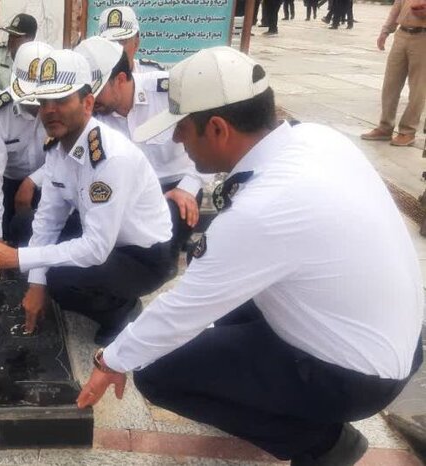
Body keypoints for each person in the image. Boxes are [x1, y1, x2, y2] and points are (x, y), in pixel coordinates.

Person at [75, 46, 423, 466]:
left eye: (182, 127)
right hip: (400, 338)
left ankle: (323, 445)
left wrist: (111, 359)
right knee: (225, 315)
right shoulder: (315, 137)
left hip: (357, 377)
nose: (177, 139)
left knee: (157, 369)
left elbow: (182, 310)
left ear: (218, 128)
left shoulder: (263, 208)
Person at [0, 50, 175, 345]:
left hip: (144, 255)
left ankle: (122, 310)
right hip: (106, 236)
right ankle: (64, 284)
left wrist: (18, 258)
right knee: (23, 226)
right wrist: (35, 284)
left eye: (62, 100)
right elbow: (48, 219)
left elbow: (96, 249)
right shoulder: (58, 146)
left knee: (61, 278)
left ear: (87, 103)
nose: (50, 110)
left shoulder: (109, 158)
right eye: (44, 102)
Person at [75, 36, 210, 258]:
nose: (90, 100)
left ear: (119, 79)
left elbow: (210, 139)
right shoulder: (94, 112)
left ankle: (165, 260)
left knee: (170, 222)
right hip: (126, 190)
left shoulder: (169, 90)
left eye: (96, 91)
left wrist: (188, 186)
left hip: (173, 186)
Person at [0, 41, 53, 245]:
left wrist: (32, 181)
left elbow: (67, 157)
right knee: (6, 234)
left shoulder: (62, 106)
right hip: (9, 181)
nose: (37, 105)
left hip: (50, 176)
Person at [360, 0, 426, 147]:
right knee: (390, 84)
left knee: (418, 88)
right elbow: (396, 9)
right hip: (402, 34)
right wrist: (385, 31)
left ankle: (408, 131)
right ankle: (385, 127)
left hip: (423, 38)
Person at [0, 13, 38, 102]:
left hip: (27, 104)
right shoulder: (0, 50)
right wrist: (5, 98)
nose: (11, 39)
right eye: (10, 34)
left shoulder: (38, 57)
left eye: (16, 36)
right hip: (2, 102)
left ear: (30, 38)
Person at [98, 6, 166, 73]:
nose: (116, 48)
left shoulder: (152, 74)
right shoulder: (91, 78)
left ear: (136, 43)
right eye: (110, 42)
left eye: (122, 41)